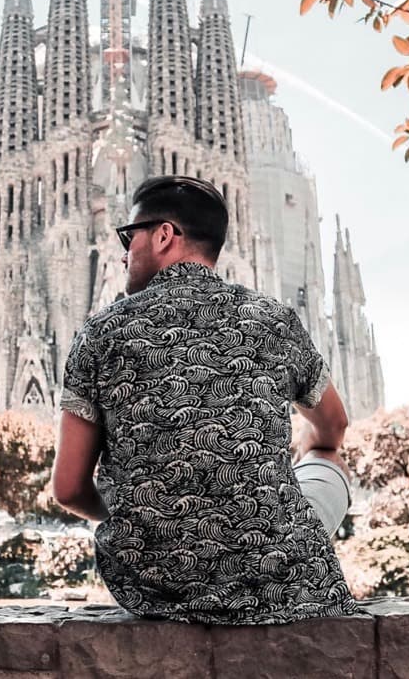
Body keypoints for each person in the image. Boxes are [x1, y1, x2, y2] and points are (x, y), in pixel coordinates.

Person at [52, 175, 358, 624]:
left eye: (128, 235)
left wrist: (131, 519)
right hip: (281, 580)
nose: (123, 251)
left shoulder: (100, 333)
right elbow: (336, 426)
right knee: (328, 459)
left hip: (151, 583)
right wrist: (297, 454)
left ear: (162, 235)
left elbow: (68, 489)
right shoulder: (272, 319)